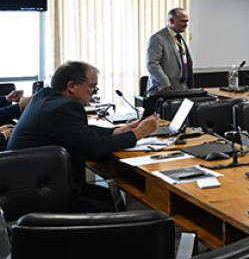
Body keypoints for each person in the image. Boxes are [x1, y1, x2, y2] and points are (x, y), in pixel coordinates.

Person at [6, 61, 158, 210]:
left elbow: (80, 131)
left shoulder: (44, 96)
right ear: (71, 86)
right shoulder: (64, 107)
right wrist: (137, 134)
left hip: (25, 186)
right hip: (40, 196)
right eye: (92, 86)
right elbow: (96, 147)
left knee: (111, 197)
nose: (94, 92)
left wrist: (117, 131)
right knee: (113, 203)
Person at [145, 7, 193, 94]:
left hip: (182, 88)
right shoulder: (157, 38)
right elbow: (152, 64)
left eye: (187, 21)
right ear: (171, 21)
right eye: (183, 21)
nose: (186, 24)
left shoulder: (179, 38)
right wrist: (165, 84)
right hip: (163, 89)